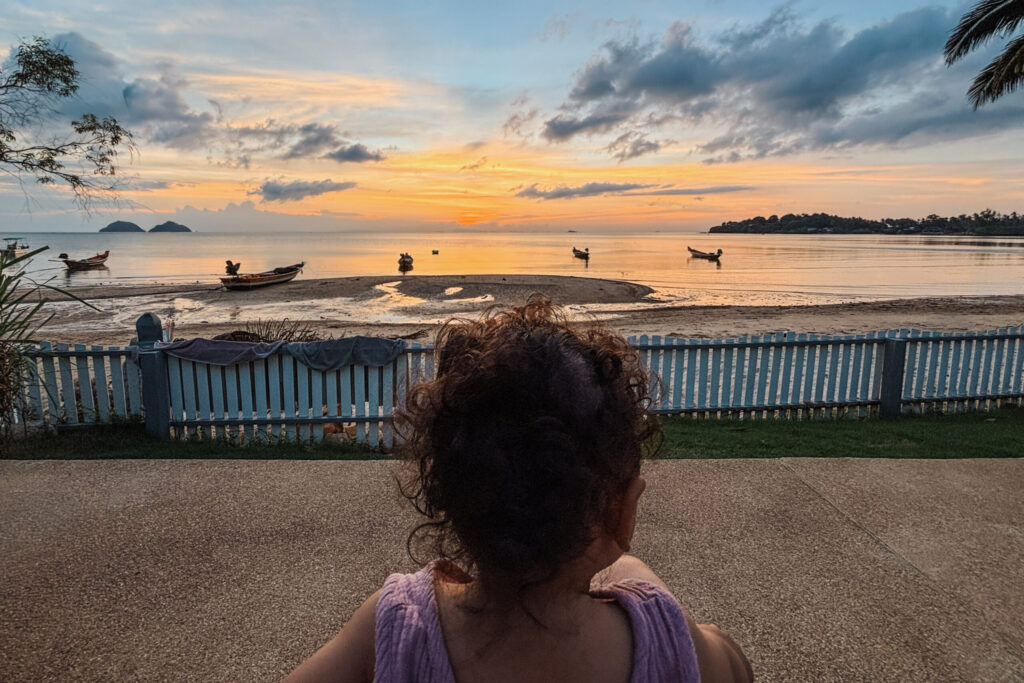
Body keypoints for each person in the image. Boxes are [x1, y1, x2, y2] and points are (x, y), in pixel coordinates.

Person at [286, 297, 752, 682]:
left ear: (444, 496)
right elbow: (737, 668)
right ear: (622, 511)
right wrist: (650, 591)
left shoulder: (399, 626)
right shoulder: (666, 638)